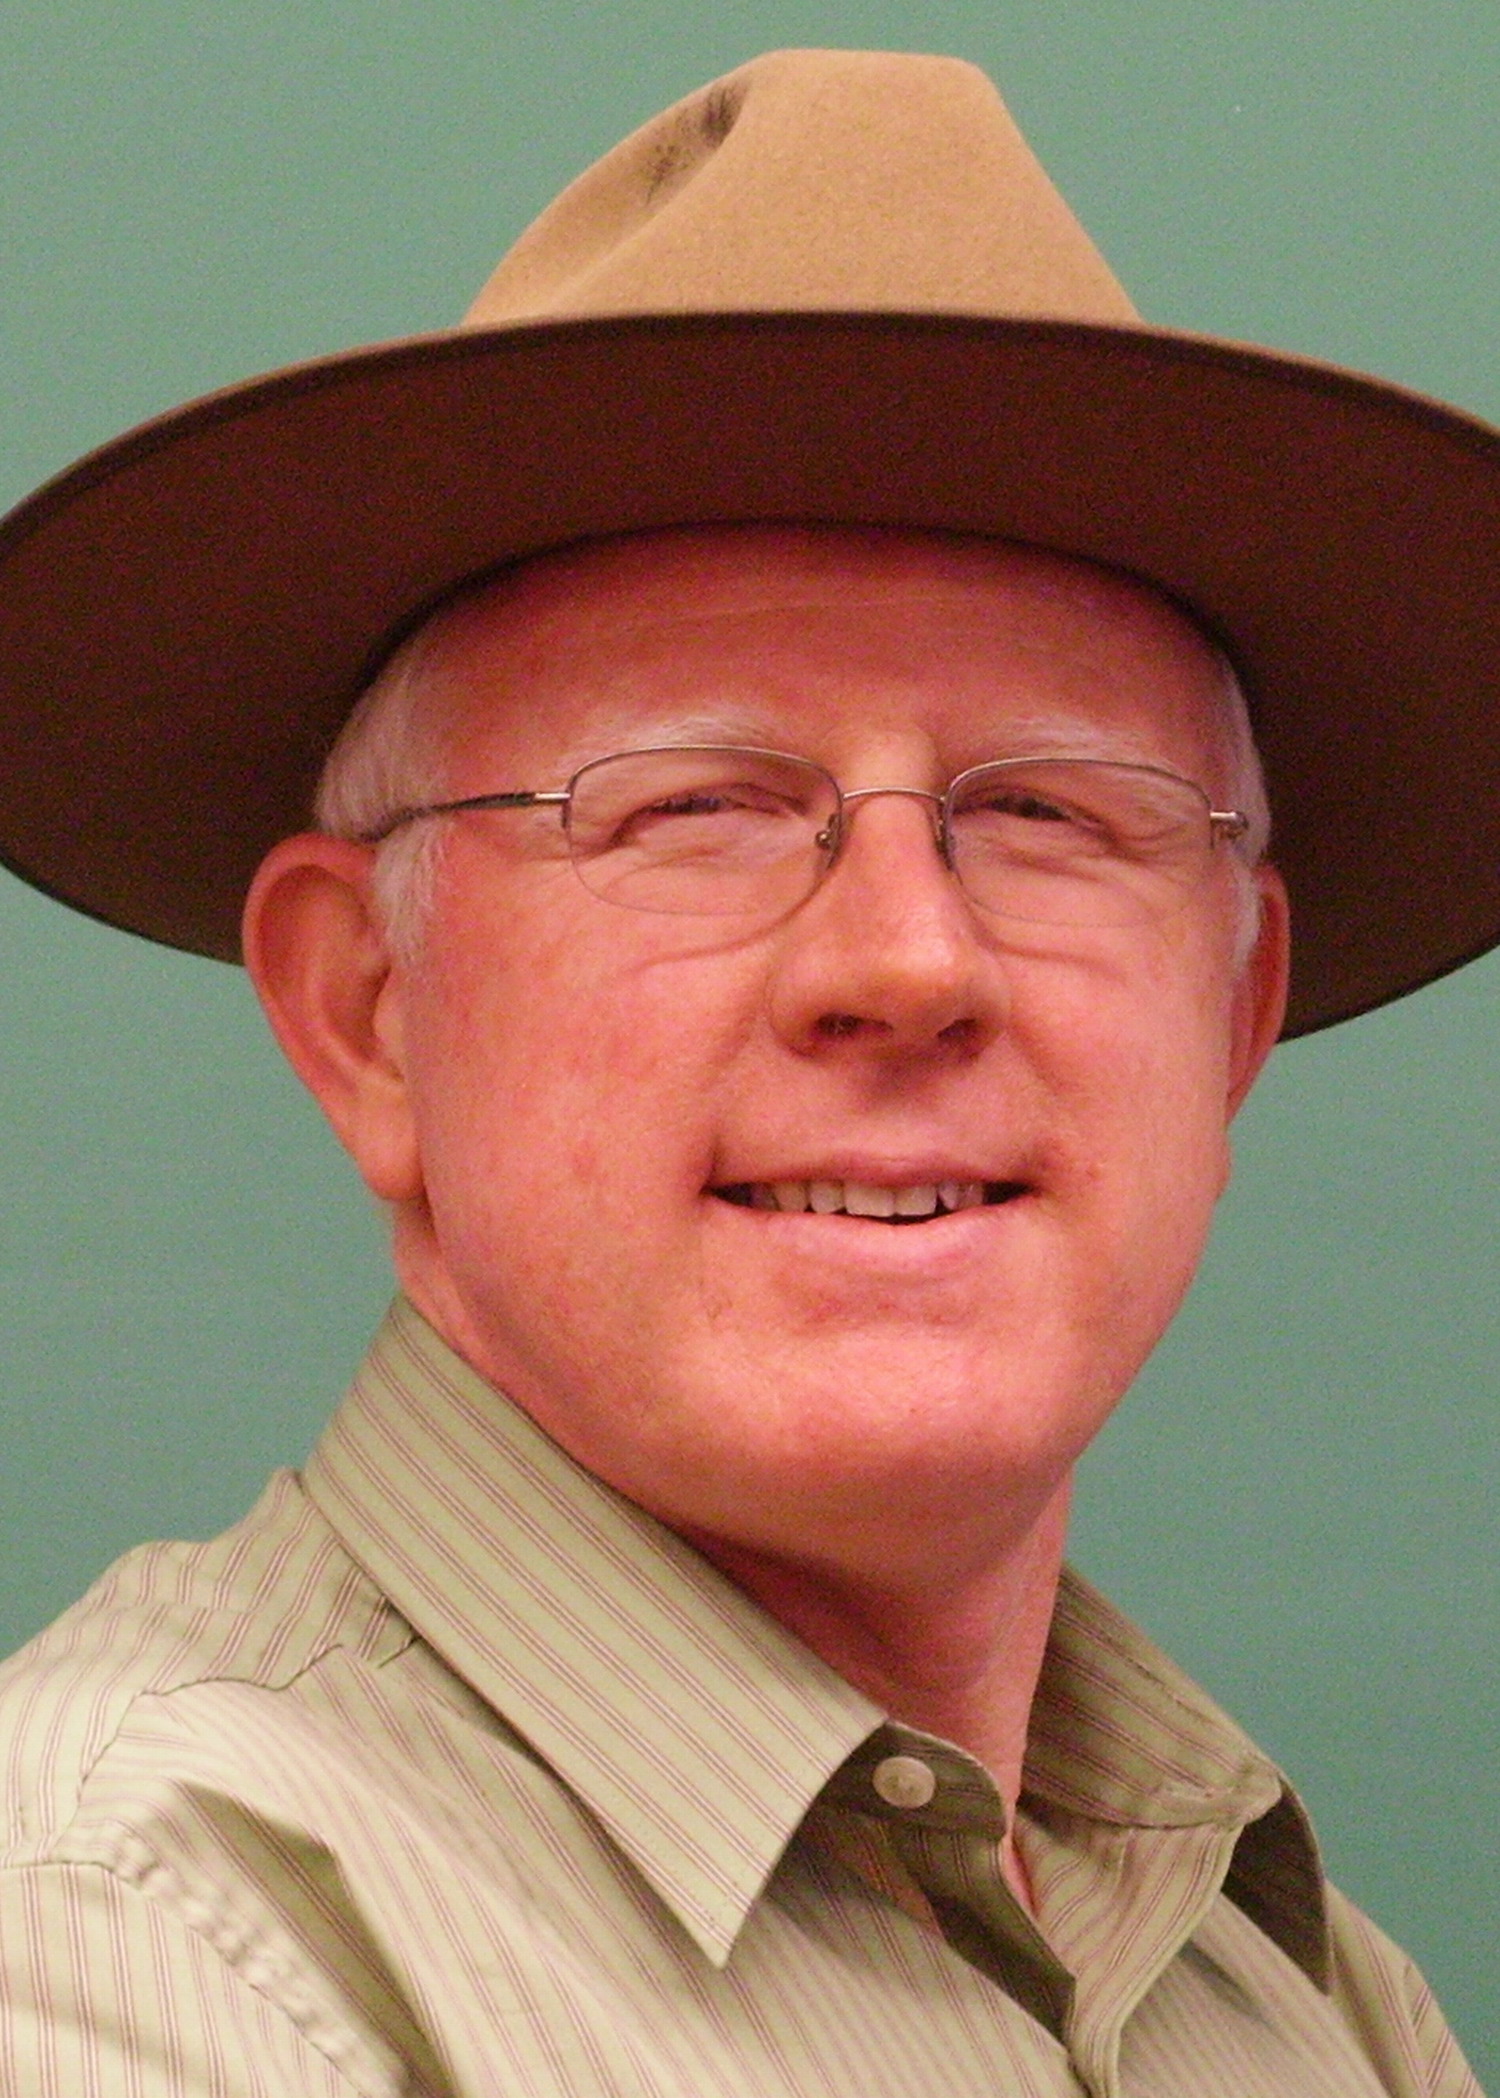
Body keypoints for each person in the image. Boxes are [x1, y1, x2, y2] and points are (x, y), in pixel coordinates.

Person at [0, 47, 1493, 2097]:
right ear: (369, 1011)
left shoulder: (1309, 2007)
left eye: (1053, 811)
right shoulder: (130, 1946)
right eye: (695, 805)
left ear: (1233, 1017)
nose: (908, 959)